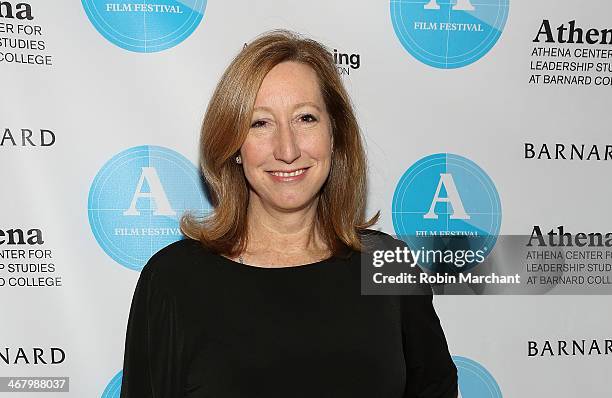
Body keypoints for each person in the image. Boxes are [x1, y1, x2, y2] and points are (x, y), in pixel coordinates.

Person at [120, 29, 457, 398]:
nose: (287, 149)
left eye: (306, 118)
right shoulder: (173, 281)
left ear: (335, 134)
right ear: (234, 145)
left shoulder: (388, 267)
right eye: (260, 123)